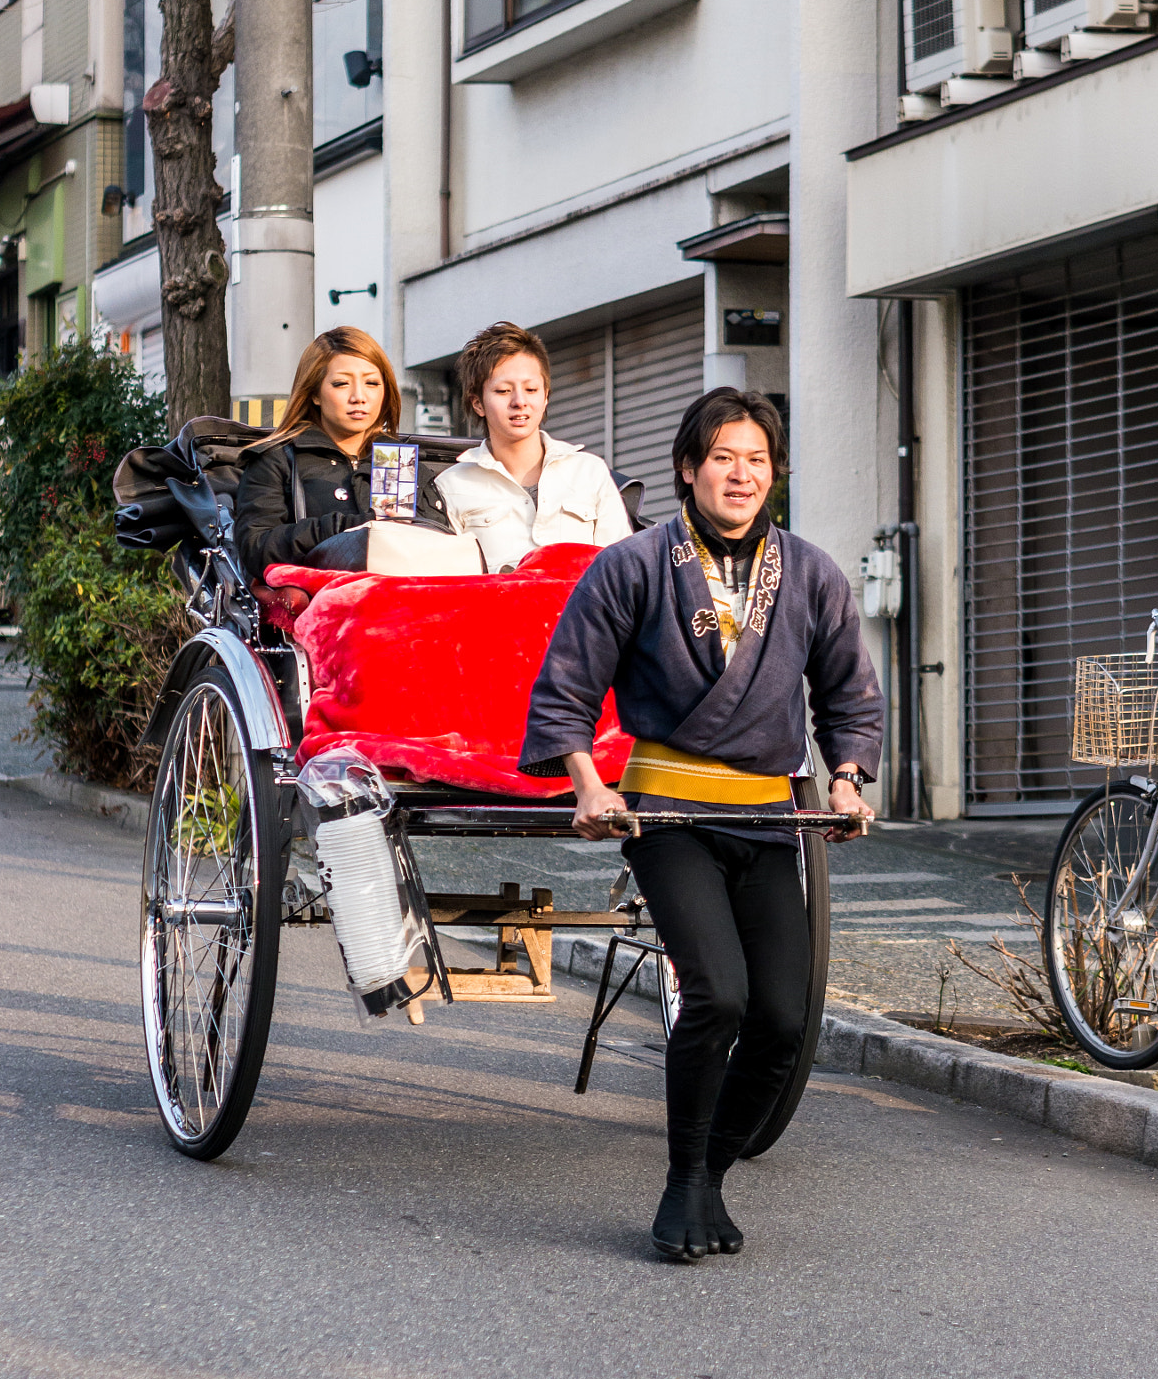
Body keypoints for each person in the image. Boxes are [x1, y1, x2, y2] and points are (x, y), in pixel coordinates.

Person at [520, 388, 884, 1263]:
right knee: (717, 992)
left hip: (768, 815)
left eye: (756, 459)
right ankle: (682, 1180)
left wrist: (842, 781)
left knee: (786, 1019)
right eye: (723, 456)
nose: (740, 473)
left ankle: (709, 1174)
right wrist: (587, 787)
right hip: (667, 812)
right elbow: (567, 686)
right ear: (688, 468)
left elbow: (846, 695)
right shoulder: (635, 565)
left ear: (774, 474)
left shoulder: (810, 572)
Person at [235, 327, 456, 581]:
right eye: (341, 384)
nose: (359, 397)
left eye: (372, 383)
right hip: (321, 608)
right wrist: (352, 528)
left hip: (400, 607)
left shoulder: (394, 458)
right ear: (315, 393)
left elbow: (440, 546)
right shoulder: (280, 458)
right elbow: (255, 549)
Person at [437, 321, 631, 572]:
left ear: (546, 395)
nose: (520, 401)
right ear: (478, 404)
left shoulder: (589, 471)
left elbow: (623, 571)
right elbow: (449, 585)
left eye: (531, 389)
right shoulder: (451, 486)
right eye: (503, 391)